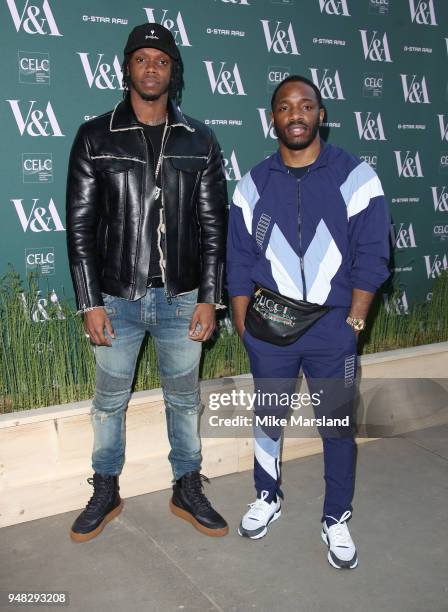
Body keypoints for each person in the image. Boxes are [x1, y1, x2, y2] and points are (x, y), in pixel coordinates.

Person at [66, 23, 228, 542]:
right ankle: (106, 487)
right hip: (116, 298)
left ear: (172, 71)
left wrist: (210, 297)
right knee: (108, 403)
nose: (152, 66)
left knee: (184, 400)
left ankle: (186, 484)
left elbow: (212, 227)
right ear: (127, 68)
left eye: (161, 59)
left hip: (183, 300)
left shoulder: (199, 139)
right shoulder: (95, 135)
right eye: (142, 58)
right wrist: (90, 302)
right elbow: (81, 227)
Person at [226, 75, 390, 568]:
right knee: (268, 418)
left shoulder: (356, 175)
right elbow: (237, 258)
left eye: (305, 105)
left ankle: (336, 516)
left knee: (337, 425)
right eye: (284, 107)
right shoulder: (252, 183)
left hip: (333, 329)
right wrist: (243, 324)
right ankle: (267, 496)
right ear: (271, 117)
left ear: (320, 114)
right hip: (269, 328)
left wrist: (354, 323)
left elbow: (373, 254)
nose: (295, 114)